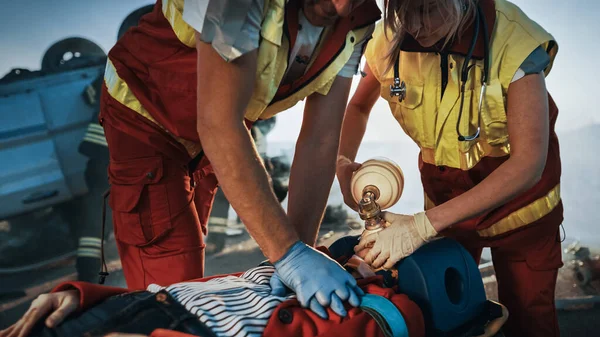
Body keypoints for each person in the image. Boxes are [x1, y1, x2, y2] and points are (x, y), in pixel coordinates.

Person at [99, 0, 380, 318]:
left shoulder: (359, 18)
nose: (344, 9)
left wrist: (300, 253)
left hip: (213, 132)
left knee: (199, 277)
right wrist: (288, 253)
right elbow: (218, 123)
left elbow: (321, 139)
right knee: (176, 292)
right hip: (146, 117)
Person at [336, 0, 562, 336]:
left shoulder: (517, 44)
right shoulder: (389, 39)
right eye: (402, 9)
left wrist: (421, 228)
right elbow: (357, 108)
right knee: (444, 311)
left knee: (529, 317)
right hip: (446, 208)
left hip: (521, 214)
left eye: (428, 9)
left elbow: (528, 164)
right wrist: (342, 163)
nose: (415, 24)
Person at [0, 250, 425, 337]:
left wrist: (374, 284)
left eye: (382, 255)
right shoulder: (301, 264)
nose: (368, 249)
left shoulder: (383, 308)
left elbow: (396, 323)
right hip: (127, 308)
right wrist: (85, 295)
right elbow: (191, 289)